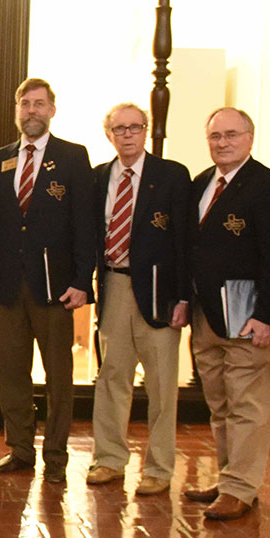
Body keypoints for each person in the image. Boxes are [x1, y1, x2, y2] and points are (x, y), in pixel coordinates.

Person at [0, 78, 97, 481]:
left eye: (39, 104)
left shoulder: (73, 157)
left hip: (56, 288)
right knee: (10, 373)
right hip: (9, 285)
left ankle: (57, 456)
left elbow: (86, 225)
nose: (32, 111)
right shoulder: (0, 159)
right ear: (17, 110)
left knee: (59, 377)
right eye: (25, 104)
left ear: (52, 110)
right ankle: (20, 449)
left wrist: (84, 280)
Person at [185, 107, 270, 521]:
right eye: (215, 136)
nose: (223, 143)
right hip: (208, 316)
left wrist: (269, 315)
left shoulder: (269, 187)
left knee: (248, 403)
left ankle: (241, 488)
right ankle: (230, 477)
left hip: (251, 317)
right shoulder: (200, 184)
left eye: (232, 135)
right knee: (220, 403)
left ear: (250, 138)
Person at [85, 102, 191, 496]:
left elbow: (184, 242)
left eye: (135, 127)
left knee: (162, 385)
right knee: (112, 377)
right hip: (113, 285)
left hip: (160, 292)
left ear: (146, 131)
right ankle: (109, 459)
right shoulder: (98, 179)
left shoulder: (171, 176)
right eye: (119, 128)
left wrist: (183, 297)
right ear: (108, 134)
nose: (127, 134)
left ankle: (159, 468)